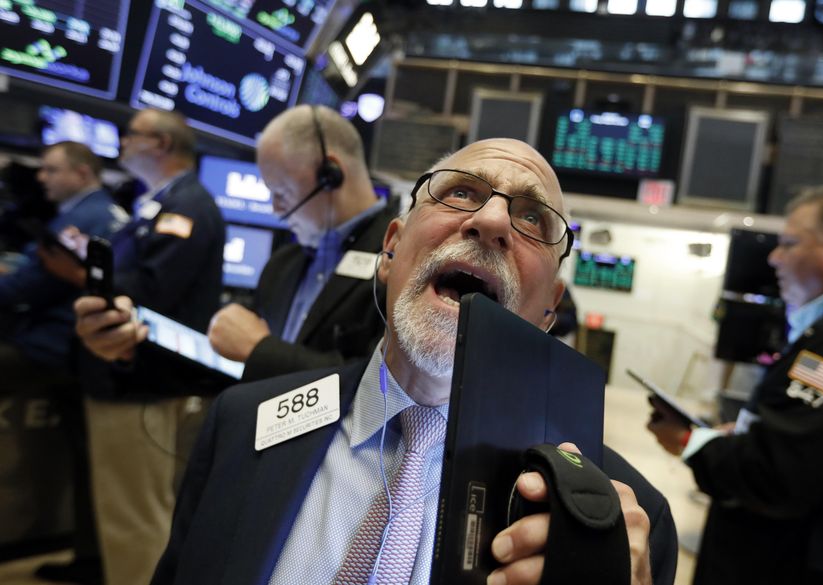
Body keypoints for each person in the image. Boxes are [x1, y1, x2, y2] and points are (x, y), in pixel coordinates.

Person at [146, 138, 677, 585]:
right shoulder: (243, 422)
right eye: (461, 192)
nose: (492, 219)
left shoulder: (618, 525)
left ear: (548, 311)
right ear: (391, 250)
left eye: (532, 217)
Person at [647, 185, 823, 585]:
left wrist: (691, 441)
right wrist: (748, 434)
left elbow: (776, 474)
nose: (774, 258)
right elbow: (820, 444)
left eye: (789, 244)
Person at [62, 109, 225, 585]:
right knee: (141, 514)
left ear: (160, 144)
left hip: (139, 378)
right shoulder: (159, 202)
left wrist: (85, 276)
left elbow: (153, 290)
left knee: (133, 520)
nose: (122, 141)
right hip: (134, 375)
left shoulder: (186, 205)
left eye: (130, 134)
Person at [0, 141, 126, 585]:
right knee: (87, 459)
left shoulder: (82, 218)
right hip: (77, 351)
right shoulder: (108, 213)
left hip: (53, 348)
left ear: (81, 173)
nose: (42, 177)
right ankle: (89, 556)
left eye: (51, 169)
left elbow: (29, 285)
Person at [207, 105, 396, 381]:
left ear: (330, 175)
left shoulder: (399, 262)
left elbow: (379, 383)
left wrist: (262, 350)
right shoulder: (280, 265)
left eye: (281, 193)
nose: (276, 210)